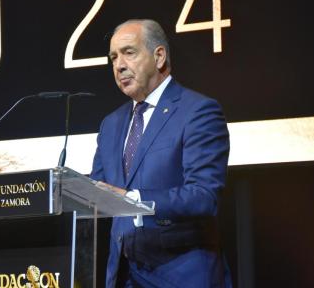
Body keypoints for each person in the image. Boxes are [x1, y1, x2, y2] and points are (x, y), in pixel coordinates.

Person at [90, 19, 232, 288]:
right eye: (113, 57)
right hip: (123, 277)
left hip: (181, 275)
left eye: (129, 52)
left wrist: (134, 200)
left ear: (159, 56)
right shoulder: (111, 124)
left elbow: (204, 196)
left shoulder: (198, 111)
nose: (119, 65)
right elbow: (97, 195)